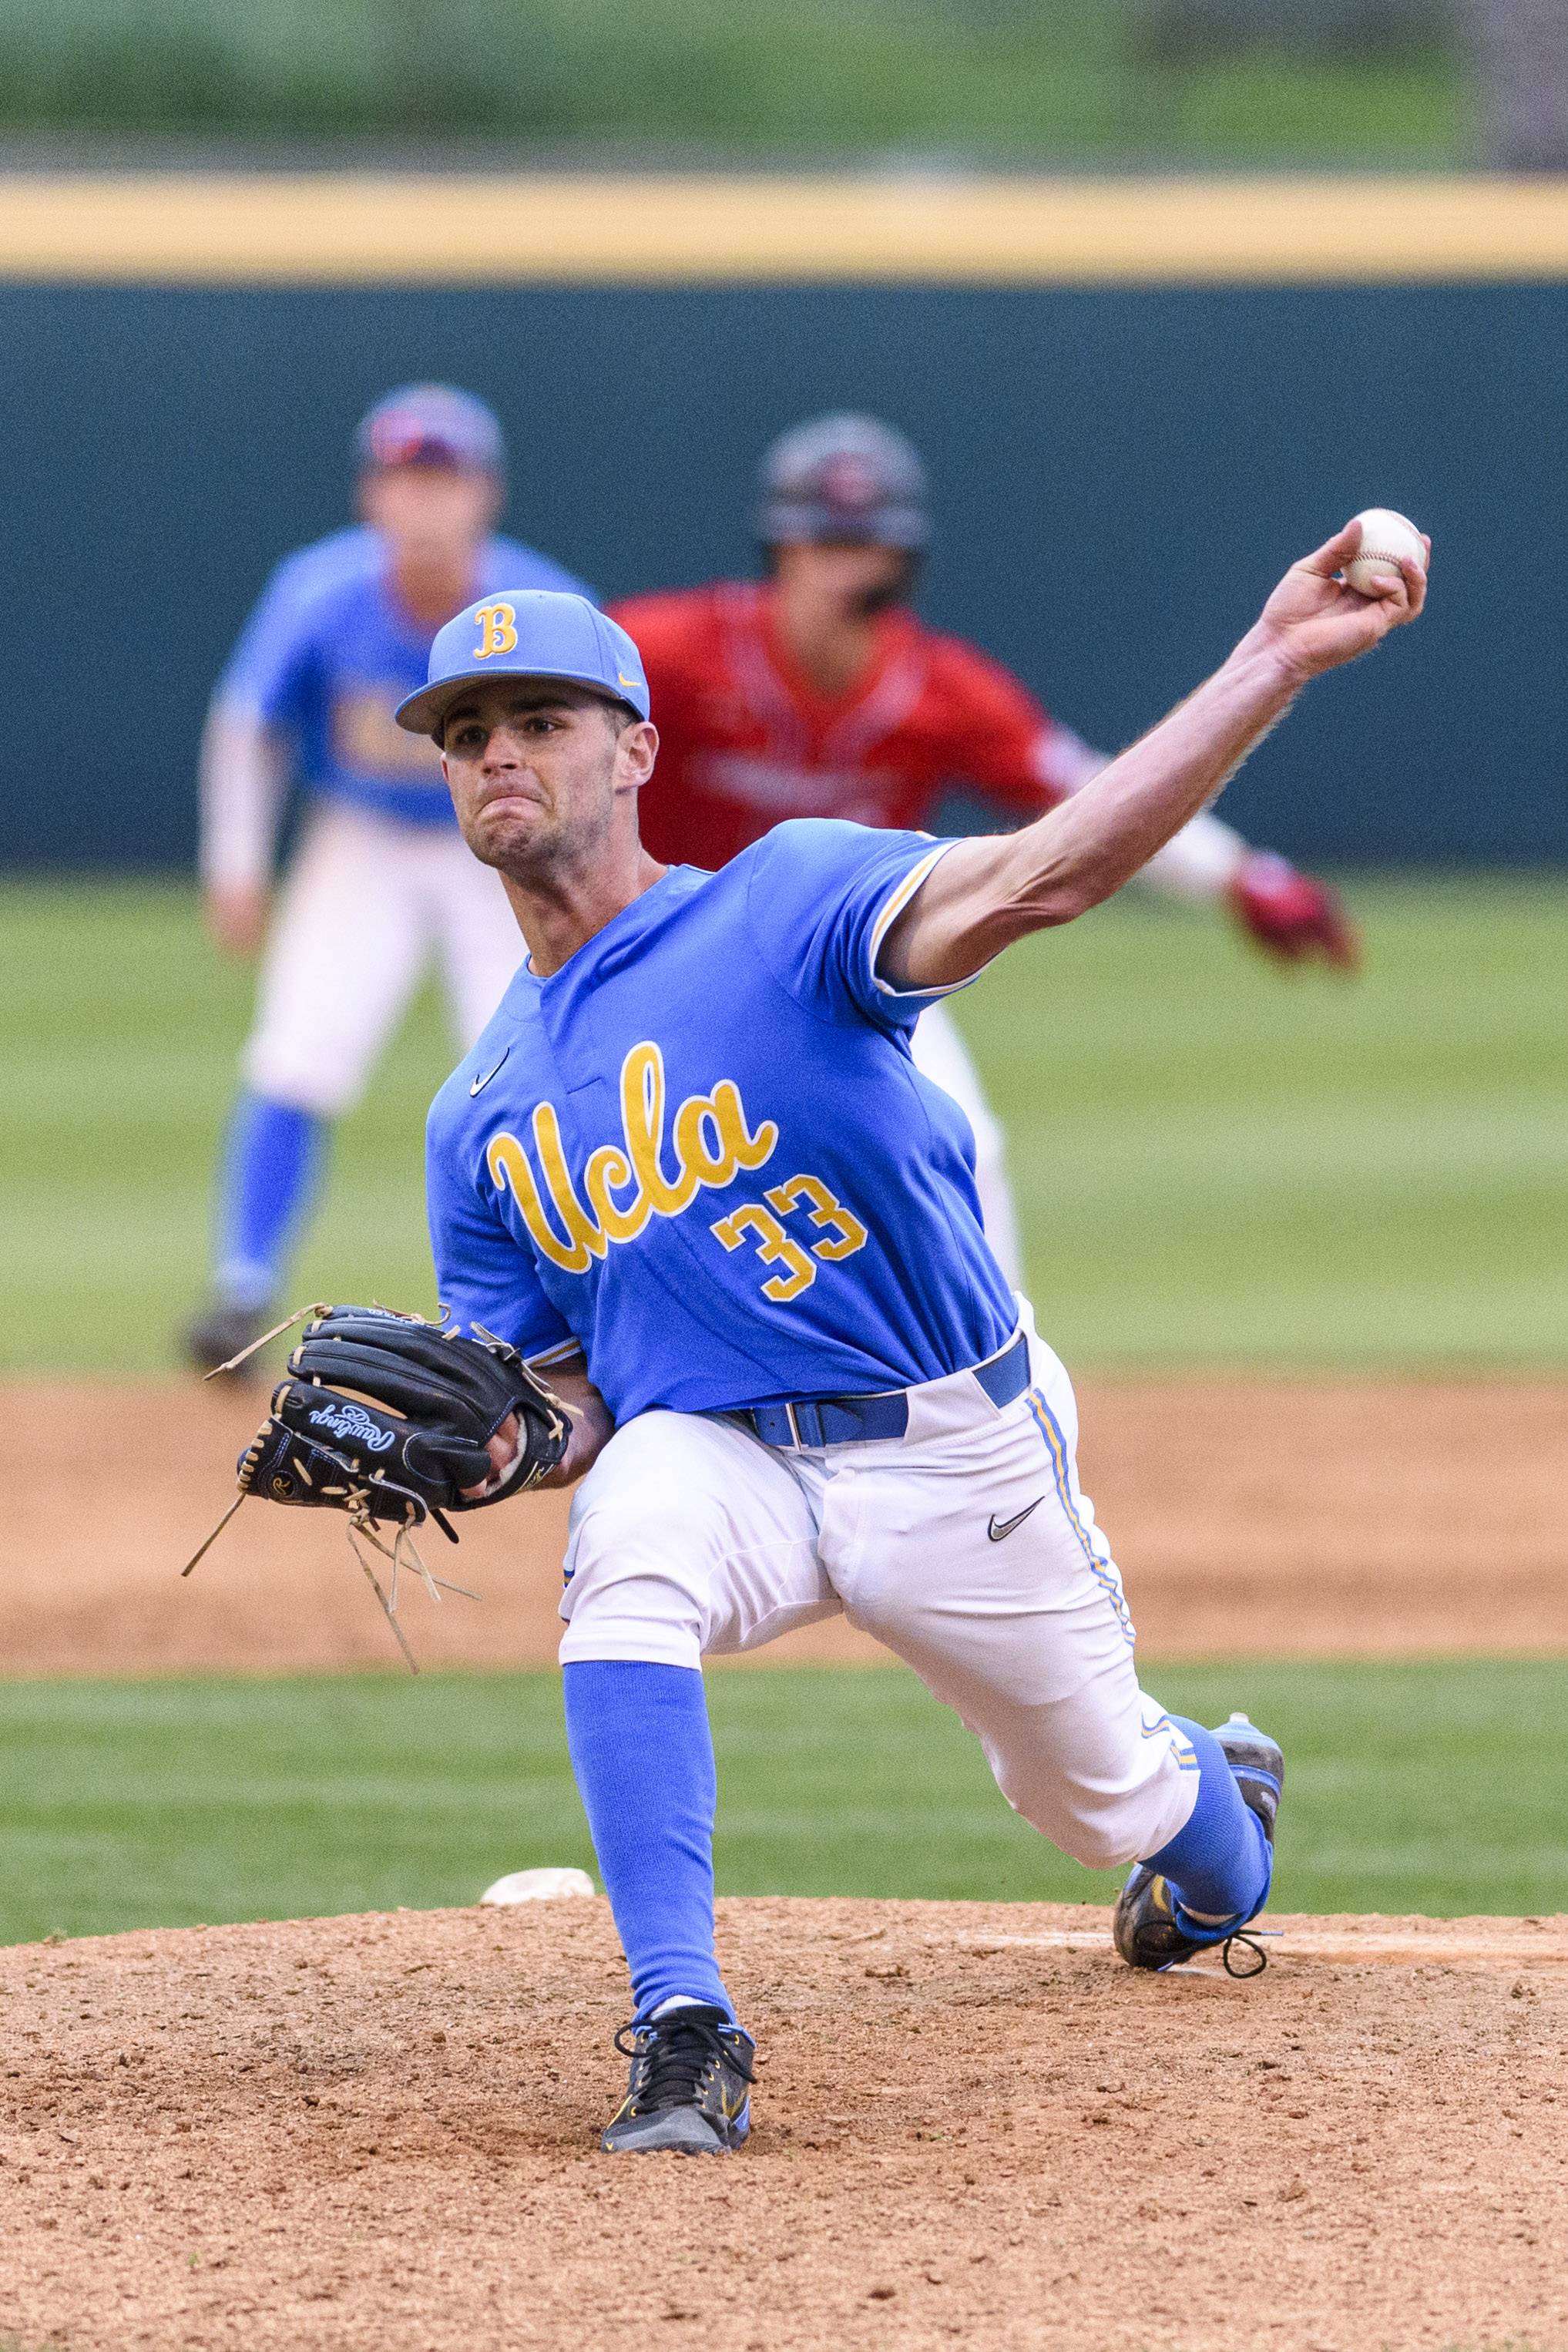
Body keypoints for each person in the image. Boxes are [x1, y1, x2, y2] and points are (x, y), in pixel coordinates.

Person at [398, 519, 1424, 2155]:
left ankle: (1220, 1798)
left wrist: (1274, 657)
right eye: (464, 732)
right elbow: (555, 1388)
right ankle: (684, 2024)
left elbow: (1050, 867)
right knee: (627, 1553)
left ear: (638, 748)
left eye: (538, 721)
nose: (496, 754)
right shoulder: (479, 1109)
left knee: (1111, 1805)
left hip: (952, 1447)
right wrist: (504, 1438)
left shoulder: (792, 902)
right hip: (719, 1447)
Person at [612, 414, 1358, 1282]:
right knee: (648, 1189)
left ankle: (1004, 1388)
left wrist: (1240, 875)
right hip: (680, 957)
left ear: (900, 560)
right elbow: (543, 700)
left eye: (863, 543)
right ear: (778, 546)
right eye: (819, 541)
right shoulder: (668, 651)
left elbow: (1091, 794)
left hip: (845, 961)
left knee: (966, 1149)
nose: (839, 564)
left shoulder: (939, 687)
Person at [184, 383, 591, 1372]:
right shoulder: (319, 590)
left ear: (484, 495)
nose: (425, 503)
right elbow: (248, 726)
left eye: (444, 480)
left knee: (534, 1075)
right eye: (407, 479)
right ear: (373, 496)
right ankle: (242, 1286)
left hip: (496, 853)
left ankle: (571, 1307)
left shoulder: (537, 605)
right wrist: (236, 862)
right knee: (297, 1052)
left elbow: (599, 747)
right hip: (361, 837)